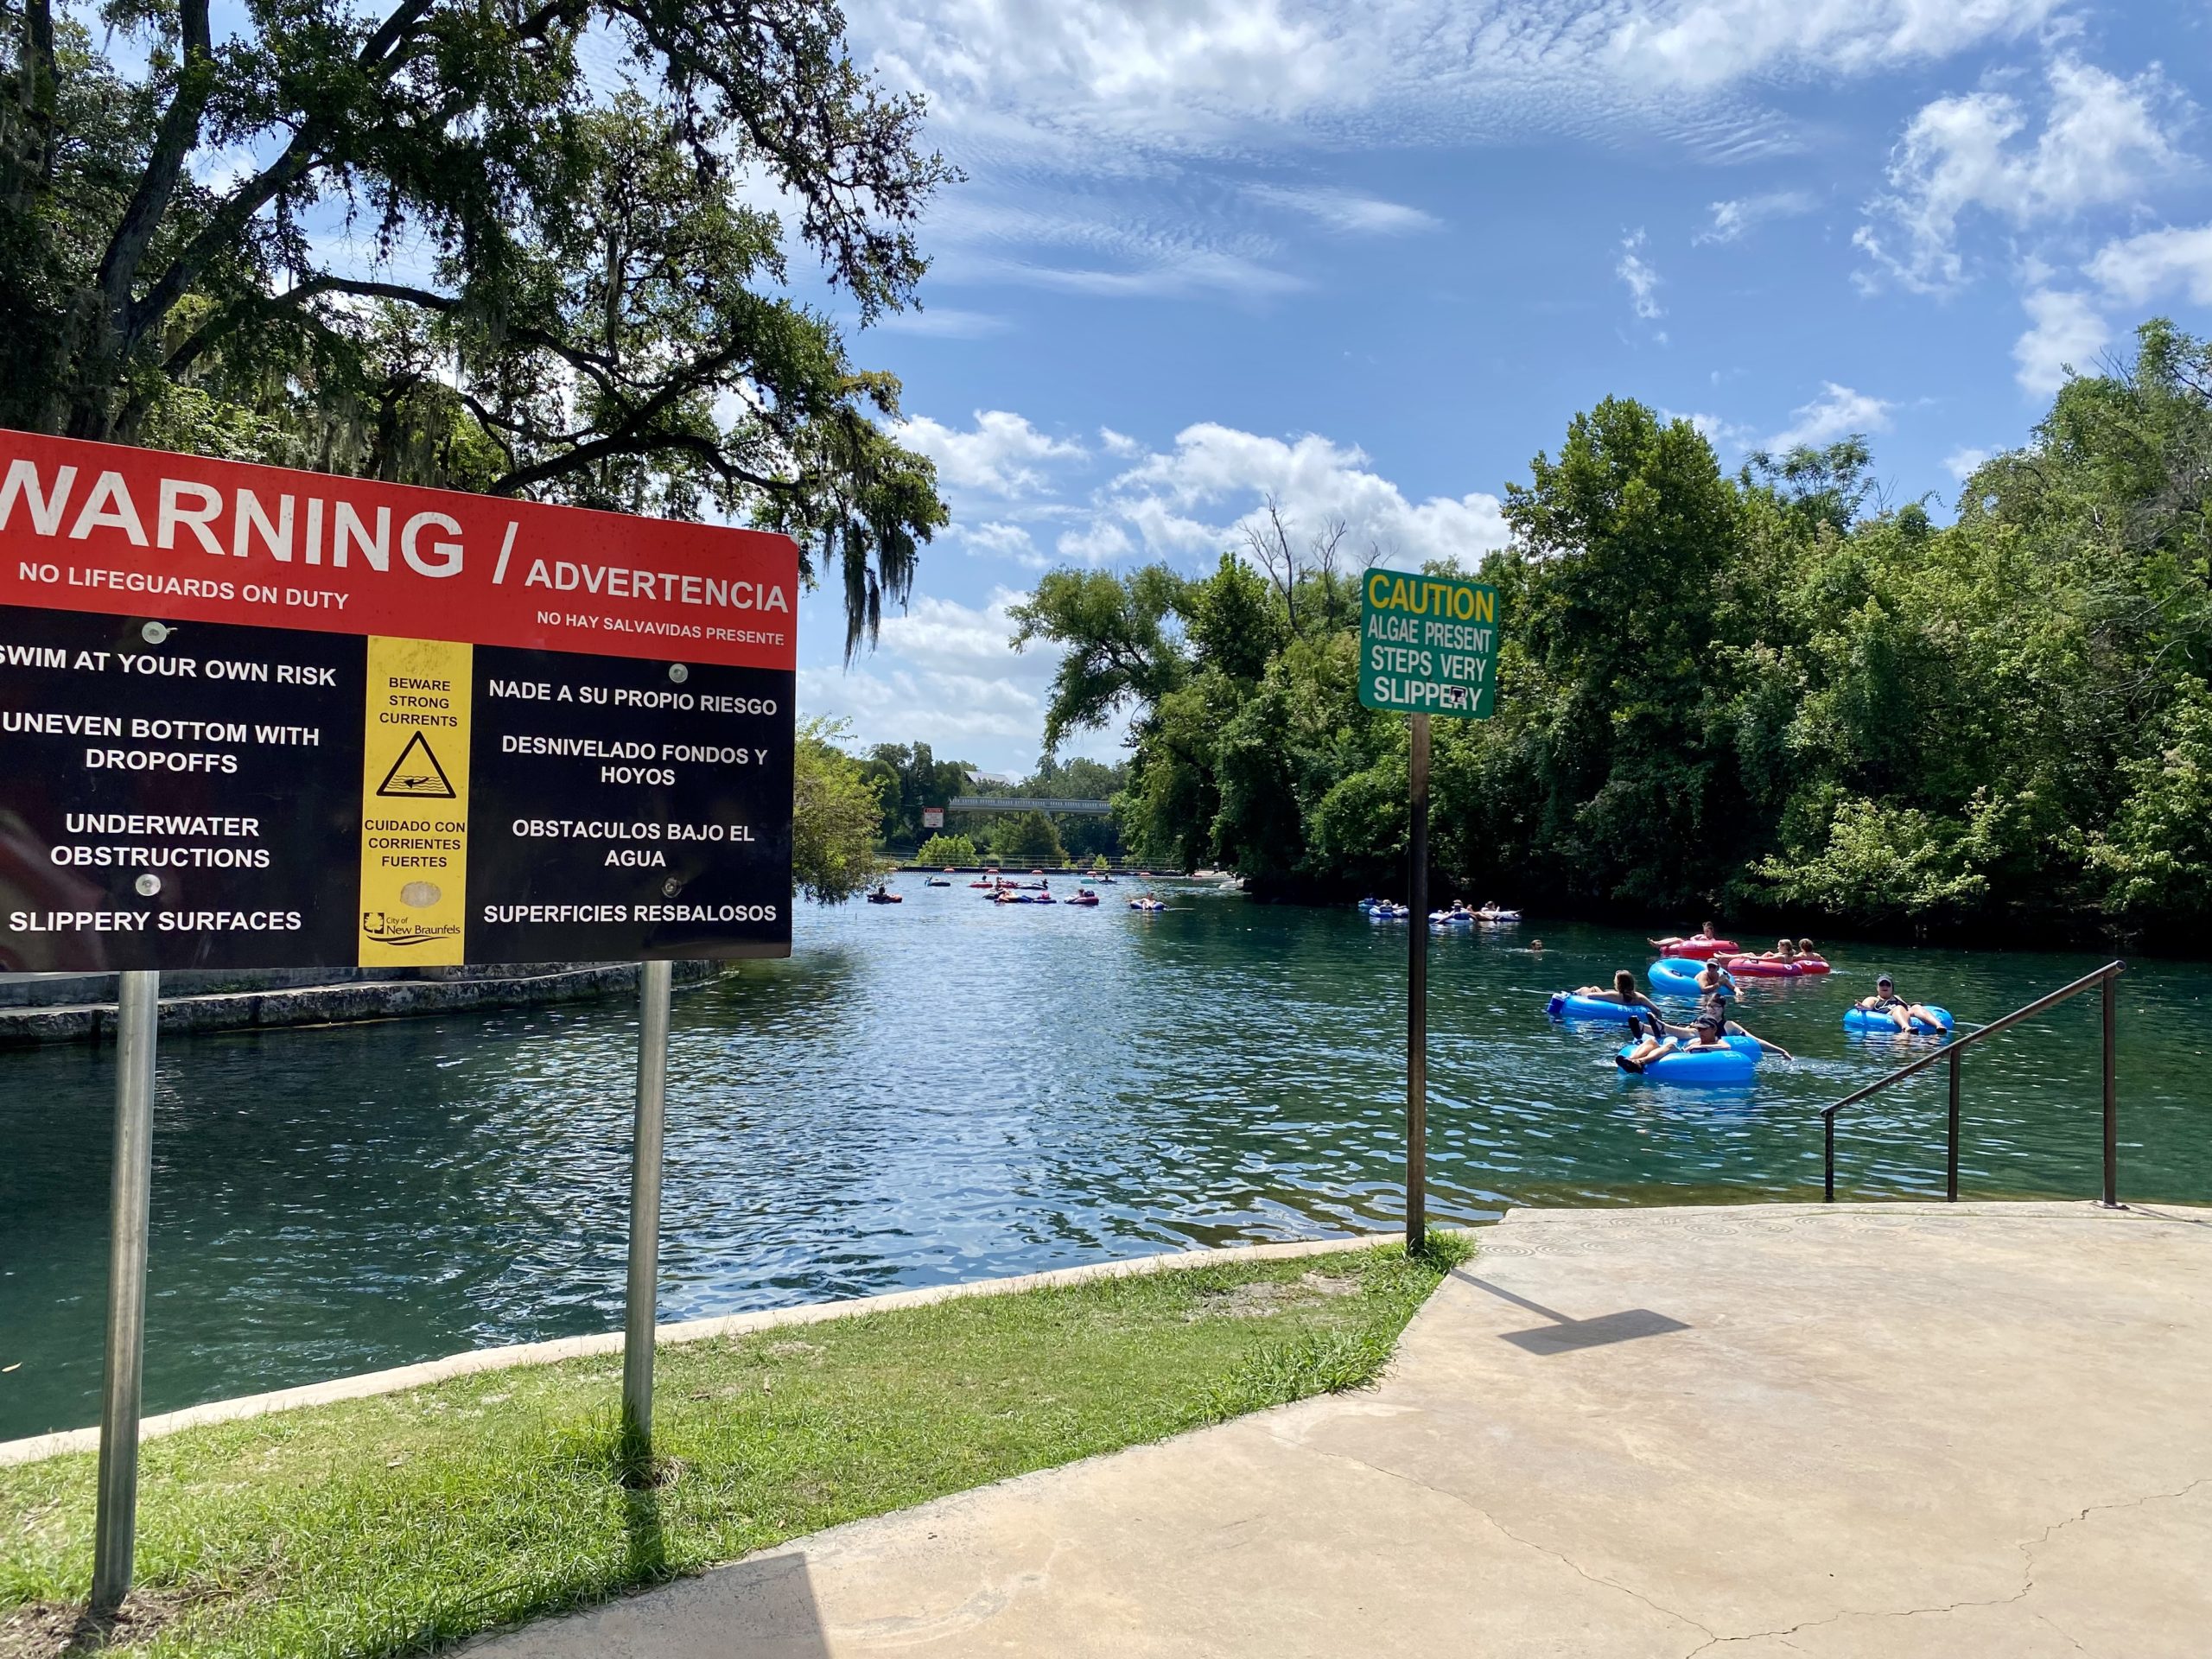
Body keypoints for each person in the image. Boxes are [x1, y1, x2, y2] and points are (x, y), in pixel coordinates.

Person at [1619, 1011, 1732, 1072]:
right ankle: (1630, 1061)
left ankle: (1641, 1062)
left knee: (1670, 1046)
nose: (1701, 1032)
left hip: (1685, 1058)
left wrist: (1700, 1048)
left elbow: (1727, 1047)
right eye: (1699, 1029)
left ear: (1714, 1029)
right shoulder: (1696, 1040)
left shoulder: (1718, 1042)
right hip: (1682, 1052)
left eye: (1704, 1029)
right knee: (1651, 1041)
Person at [1859, 974, 1942, 1033]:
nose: (1885, 986)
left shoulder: (1897, 998)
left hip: (1902, 1013)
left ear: (1892, 987)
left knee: (1916, 1006)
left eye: (1888, 984)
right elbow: (1867, 1006)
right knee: (1899, 1008)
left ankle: (1938, 1025)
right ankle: (1906, 1027)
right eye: (1882, 984)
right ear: (1877, 988)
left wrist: (1915, 1007)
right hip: (1887, 1015)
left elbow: (1907, 1008)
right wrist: (1863, 1007)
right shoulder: (1873, 999)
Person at [1573, 969, 1666, 1020]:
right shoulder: (1639, 997)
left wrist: (1585, 991)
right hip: (1628, 1014)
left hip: (1610, 1011)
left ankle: (1571, 995)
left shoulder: (1614, 995)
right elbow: (1657, 1010)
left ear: (1618, 984)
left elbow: (1590, 996)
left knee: (1585, 989)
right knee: (1595, 988)